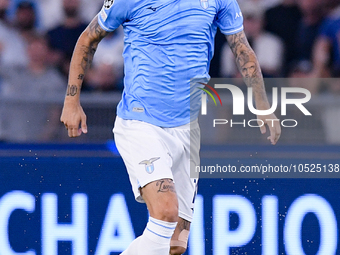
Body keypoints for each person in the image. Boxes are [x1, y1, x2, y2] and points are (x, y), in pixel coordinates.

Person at [60, 0, 281, 254]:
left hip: (187, 129)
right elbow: (88, 39)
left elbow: (242, 49)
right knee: (165, 213)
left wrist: (263, 105)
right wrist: (71, 101)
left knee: (176, 244)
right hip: (141, 123)